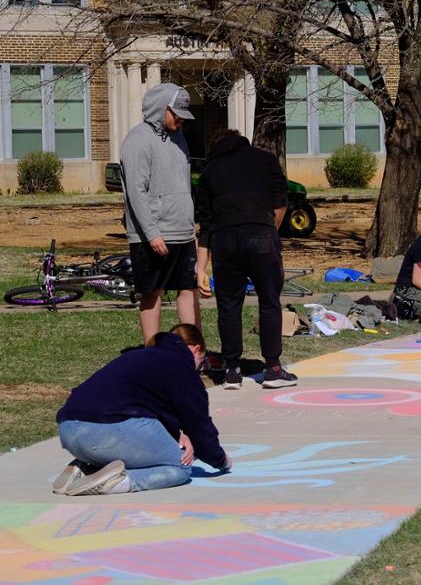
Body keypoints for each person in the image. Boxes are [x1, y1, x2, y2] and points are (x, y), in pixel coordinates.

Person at [52, 324, 231, 496]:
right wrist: (220, 460)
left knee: (151, 451)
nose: (199, 368)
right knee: (180, 466)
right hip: (105, 432)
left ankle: (85, 468)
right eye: (202, 361)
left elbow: (143, 405)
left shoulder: (140, 357)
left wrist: (178, 435)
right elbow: (198, 425)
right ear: (196, 349)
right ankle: (119, 481)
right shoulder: (182, 367)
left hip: (68, 430)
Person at [194, 129, 297, 390]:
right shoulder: (264, 159)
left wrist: (201, 267)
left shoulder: (209, 171)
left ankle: (231, 370)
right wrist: (269, 230)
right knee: (269, 301)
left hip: (224, 241)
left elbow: (205, 224)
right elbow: (281, 202)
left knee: (228, 305)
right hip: (260, 235)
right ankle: (273, 369)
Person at [119, 83, 203, 345]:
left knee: (188, 290)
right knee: (152, 292)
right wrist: (152, 233)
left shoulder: (180, 138)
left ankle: (194, 352)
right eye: (175, 114)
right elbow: (136, 191)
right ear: (161, 108)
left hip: (183, 232)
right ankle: (151, 353)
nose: (179, 120)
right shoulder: (137, 140)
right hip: (151, 236)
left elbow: (183, 185)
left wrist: (191, 229)